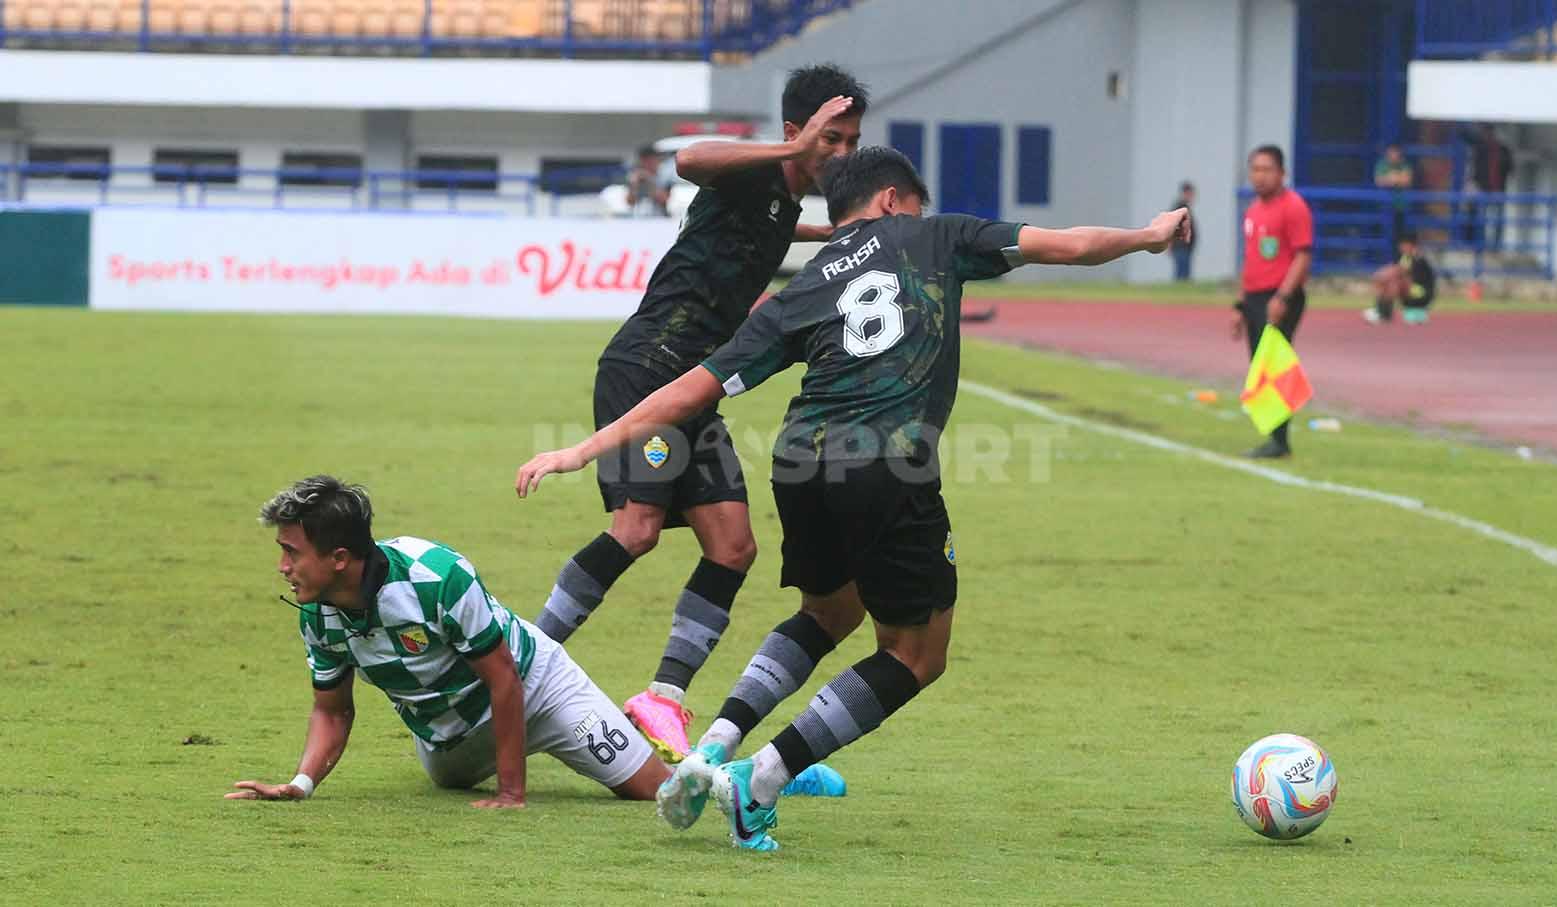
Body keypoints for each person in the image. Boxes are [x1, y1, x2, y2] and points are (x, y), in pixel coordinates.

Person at [513, 146, 1190, 850]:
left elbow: (695, 386)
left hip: (798, 462)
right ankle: (762, 777)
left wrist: (582, 449)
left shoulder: (804, 287)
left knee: (829, 610)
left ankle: (715, 744)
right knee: (916, 653)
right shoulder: (937, 236)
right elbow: (1069, 246)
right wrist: (1147, 234)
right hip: (886, 465)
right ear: (895, 200)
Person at [526, 64, 868, 765]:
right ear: (795, 132)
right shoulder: (754, 173)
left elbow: (785, 222)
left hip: (696, 387)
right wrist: (791, 154)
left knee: (734, 545)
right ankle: (524, 660)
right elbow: (686, 160)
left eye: (851, 141)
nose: (840, 153)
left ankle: (663, 695)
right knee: (638, 528)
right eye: (830, 138)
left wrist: (846, 233)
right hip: (648, 367)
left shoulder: (781, 201)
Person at [229, 476, 844, 808]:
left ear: (339, 558)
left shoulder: (435, 576)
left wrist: (511, 792)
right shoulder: (318, 610)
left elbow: (504, 678)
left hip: (537, 688)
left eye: (291, 551)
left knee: (659, 792)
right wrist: (300, 785)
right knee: (445, 779)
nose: (283, 566)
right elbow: (331, 710)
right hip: (447, 743)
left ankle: (764, 773)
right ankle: (621, 727)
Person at [1235, 144, 1314, 459]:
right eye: (1255, 169)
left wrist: (1283, 296)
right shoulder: (1253, 210)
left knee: (1273, 364)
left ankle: (1279, 440)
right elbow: (1251, 259)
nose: (1260, 176)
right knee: (1260, 363)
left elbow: (1302, 255)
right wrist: (1239, 306)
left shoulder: (1293, 207)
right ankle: (1274, 436)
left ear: (1282, 173)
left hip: (1279, 296)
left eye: (1267, 169)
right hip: (1255, 296)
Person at [1364, 232, 1436, 325]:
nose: (1400, 248)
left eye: (1403, 245)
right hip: (1410, 292)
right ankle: (1381, 311)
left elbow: (1407, 277)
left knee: (1394, 283)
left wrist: (1387, 275)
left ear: (1410, 245)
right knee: (1386, 281)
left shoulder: (1419, 259)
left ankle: (1383, 313)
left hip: (1422, 294)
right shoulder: (1404, 258)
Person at [1470, 125, 1514, 251]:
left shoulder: (1503, 149)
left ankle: (1495, 247)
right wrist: (1474, 183)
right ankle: (1481, 246)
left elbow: (1510, 168)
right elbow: (1476, 169)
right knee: (1481, 220)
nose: (1487, 136)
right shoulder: (1481, 149)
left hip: (1498, 191)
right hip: (1484, 190)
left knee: (1496, 221)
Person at [1373, 143, 1413, 251]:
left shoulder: (1404, 164)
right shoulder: (1382, 164)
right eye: (1391, 152)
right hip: (1383, 208)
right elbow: (1379, 181)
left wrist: (1392, 178)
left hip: (1400, 207)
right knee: (1381, 234)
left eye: (1396, 152)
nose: (1394, 155)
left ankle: (1397, 261)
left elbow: (1406, 181)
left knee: (1399, 236)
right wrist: (1394, 179)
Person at [625, 145, 672, 217]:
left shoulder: (664, 177)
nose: (650, 163)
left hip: (660, 218)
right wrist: (634, 185)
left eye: (652, 160)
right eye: (646, 160)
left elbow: (665, 200)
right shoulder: (634, 176)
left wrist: (649, 181)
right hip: (637, 218)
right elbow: (629, 202)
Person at [1171, 181, 1197, 281]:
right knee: (1182, 275)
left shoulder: (1186, 207)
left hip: (1185, 247)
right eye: (1190, 194)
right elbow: (1172, 227)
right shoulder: (1180, 208)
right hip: (1180, 246)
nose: (1192, 196)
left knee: (1184, 274)